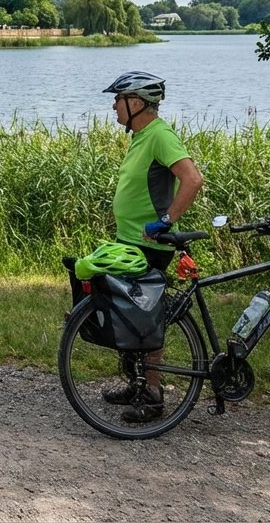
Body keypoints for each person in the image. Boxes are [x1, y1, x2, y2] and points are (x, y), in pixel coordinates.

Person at [101, 70, 204, 421]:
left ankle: (154, 396)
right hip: (130, 243)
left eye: (118, 99)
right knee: (132, 319)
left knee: (147, 320)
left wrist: (166, 220)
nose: (113, 105)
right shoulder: (140, 136)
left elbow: (192, 179)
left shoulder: (160, 135)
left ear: (137, 103)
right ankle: (137, 383)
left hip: (149, 246)